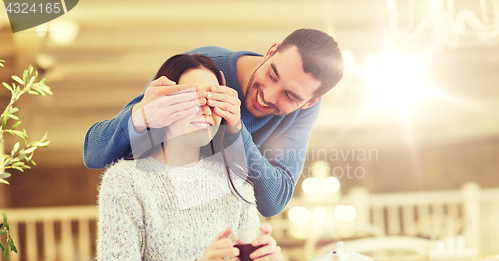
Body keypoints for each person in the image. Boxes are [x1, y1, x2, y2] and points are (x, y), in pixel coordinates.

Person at [85, 28, 344, 217]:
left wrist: (235, 131)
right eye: (272, 74)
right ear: (271, 52)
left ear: (310, 102)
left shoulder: (303, 111)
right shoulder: (200, 72)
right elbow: (93, 154)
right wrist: (141, 117)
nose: (268, 95)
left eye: (290, 96)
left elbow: (274, 200)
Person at [97, 54, 282, 261]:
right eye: (192, 98)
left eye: (214, 98)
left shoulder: (236, 185)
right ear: (161, 106)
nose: (206, 109)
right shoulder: (125, 182)